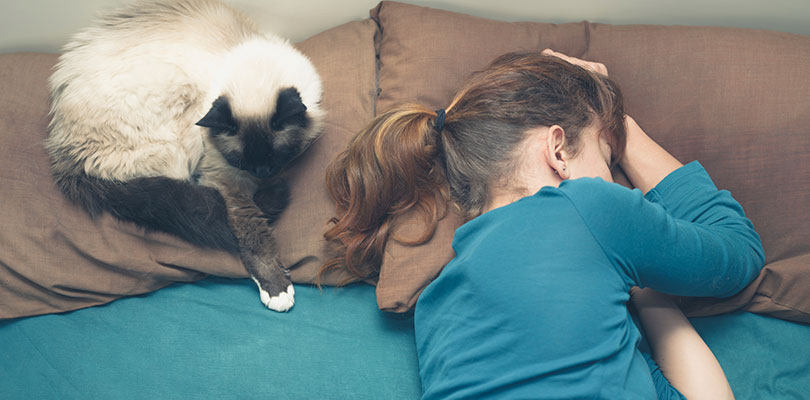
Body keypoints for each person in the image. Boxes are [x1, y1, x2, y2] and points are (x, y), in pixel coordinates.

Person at [323, 49, 765, 399]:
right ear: (558, 151)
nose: (615, 178)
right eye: (607, 158)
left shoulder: (437, 303)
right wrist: (623, 130)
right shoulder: (588, 205)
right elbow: (740, 253)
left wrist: (639, 289)